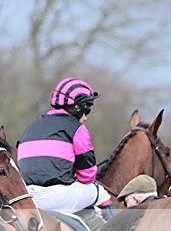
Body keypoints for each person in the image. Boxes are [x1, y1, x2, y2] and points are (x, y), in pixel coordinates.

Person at [17, 78, 108, 215]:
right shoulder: (77, 128)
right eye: (87, 108)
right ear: (77, 106)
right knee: (101, 193)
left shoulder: (31, 127)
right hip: (57, 197)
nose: (86, 117)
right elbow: (87, 175)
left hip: (27, 196)